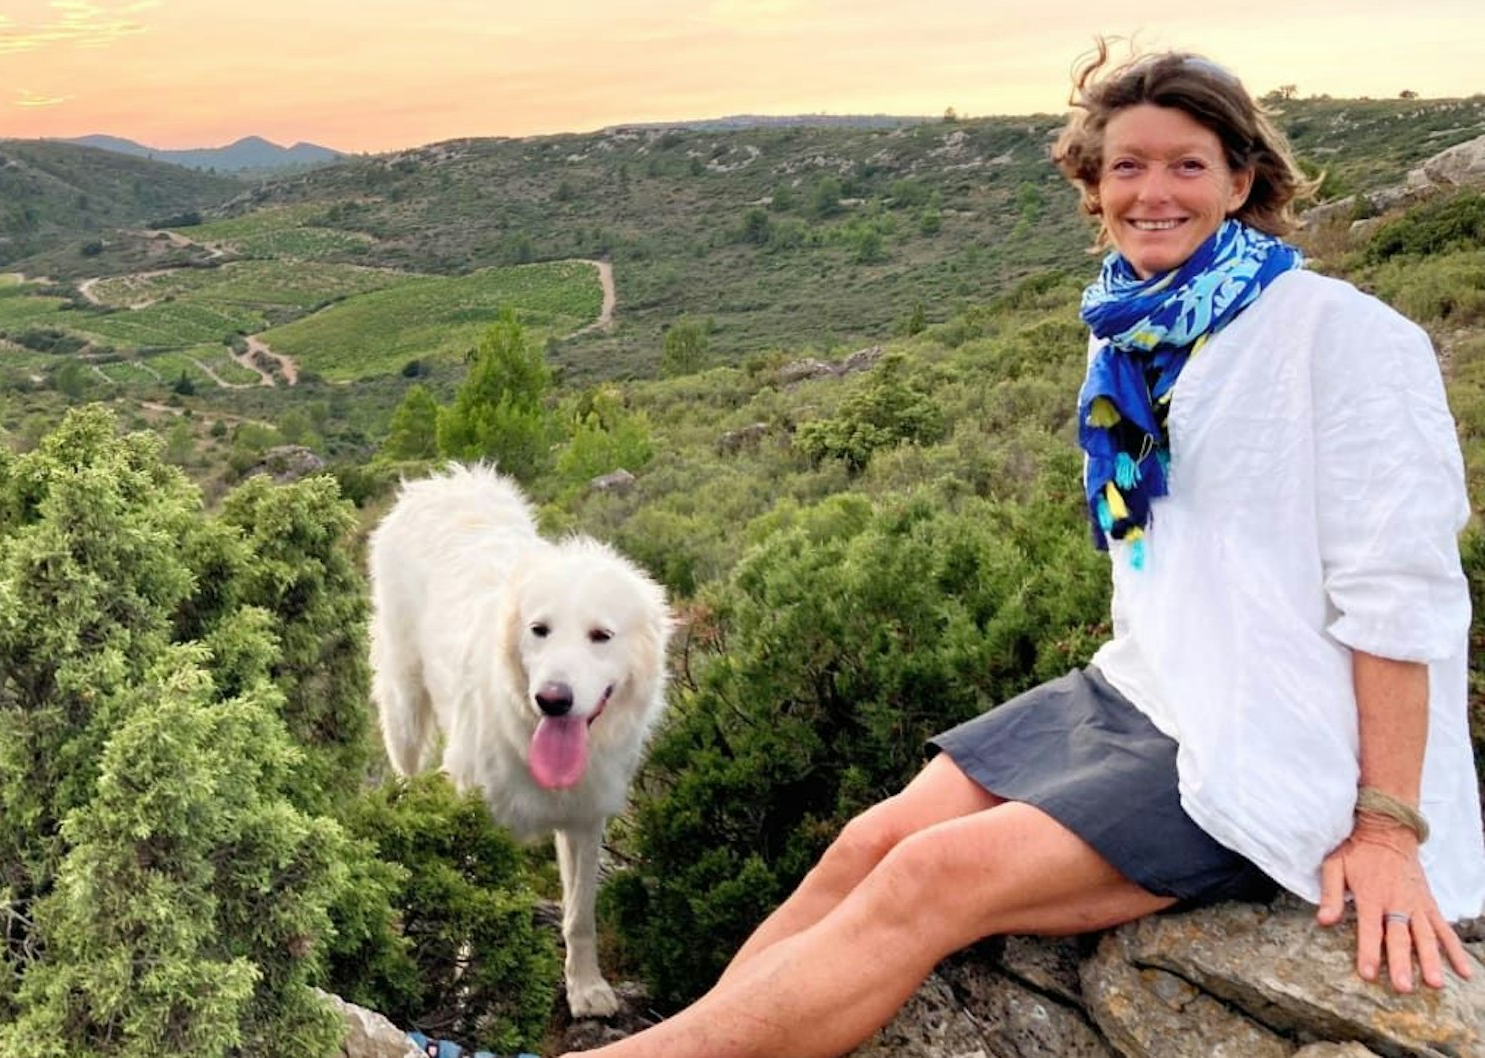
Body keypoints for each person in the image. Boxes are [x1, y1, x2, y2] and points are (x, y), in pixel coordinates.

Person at [556, 44, 1485, 1058]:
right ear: (1094, 186)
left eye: (1187, 164)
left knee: (930, 876)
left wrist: (1384, 825)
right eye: (1127, 166)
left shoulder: (1341, 335)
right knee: (868, 841)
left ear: (1239, 179)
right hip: (1146, 687)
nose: (1153, 192)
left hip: (1281, 737)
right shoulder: (1126, 328)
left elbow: (1401, 593)